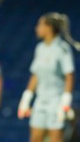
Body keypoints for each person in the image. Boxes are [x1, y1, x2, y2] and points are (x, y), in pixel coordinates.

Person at [18, 12, 78, 142]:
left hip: (56, 101)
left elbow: (69, 76)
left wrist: (65, 102)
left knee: (55, 137)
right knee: (35, 137)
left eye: (40, 24)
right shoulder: (40, 48)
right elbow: (35, 75)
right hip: (40, 101)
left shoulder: (62, 48)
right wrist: (26, 99)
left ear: (49, 27)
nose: (36, 28)